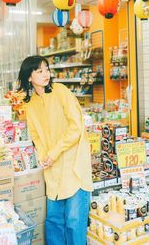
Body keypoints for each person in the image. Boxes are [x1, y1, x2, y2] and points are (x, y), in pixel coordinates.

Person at [18, 55, 93, 245]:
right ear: (29, 77)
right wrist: (44, 155)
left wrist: (53, 153)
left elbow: (76, 127)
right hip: (53, 169)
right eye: (40, 71)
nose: (46, 74)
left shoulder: (61, 91)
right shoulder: (30, 103)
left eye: (47, 69)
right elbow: (35, 134)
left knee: (74, 222)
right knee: (54, 222)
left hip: (73, 164)